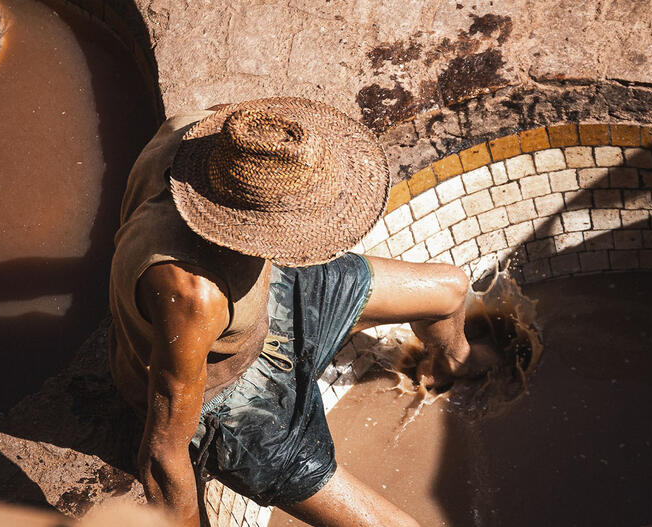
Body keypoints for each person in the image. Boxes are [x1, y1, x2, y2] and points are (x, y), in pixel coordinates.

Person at [108, 97, 490, 527]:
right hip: (230, 398)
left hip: (266, 294)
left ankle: (450, 363)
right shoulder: (194, 294)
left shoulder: (205, 133)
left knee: (450, 289)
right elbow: (163, 452)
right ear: (258, 223)